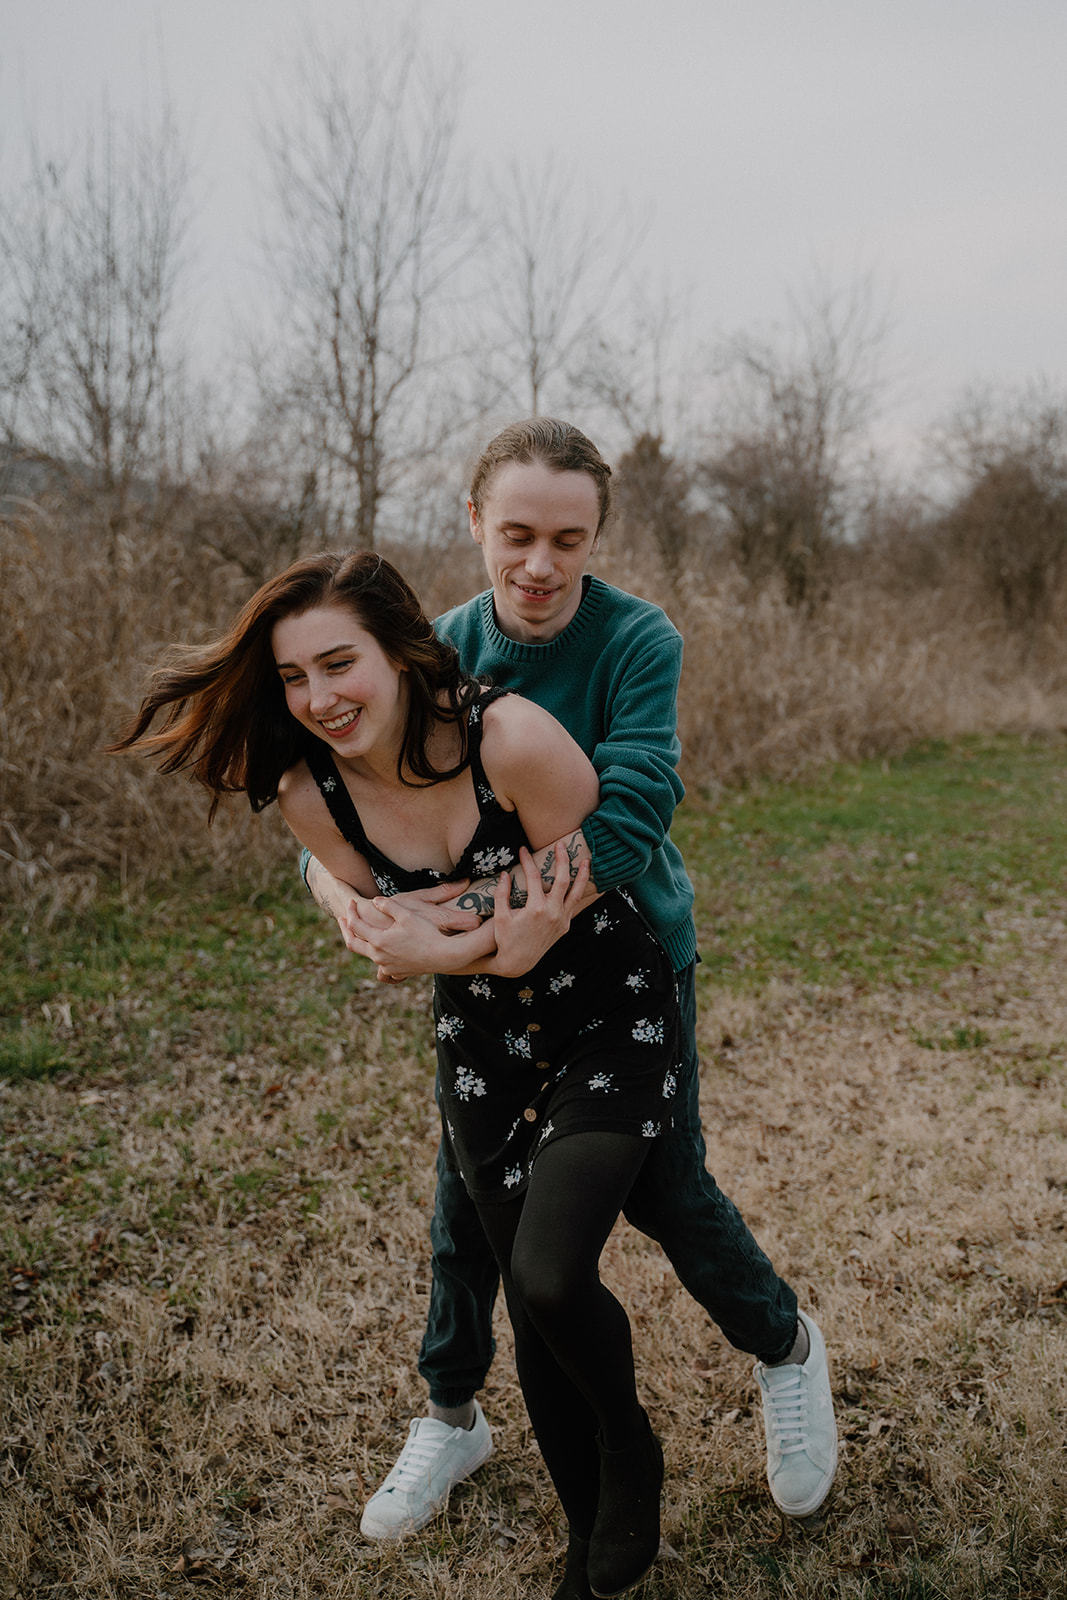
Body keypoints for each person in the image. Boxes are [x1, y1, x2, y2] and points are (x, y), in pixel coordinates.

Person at [110, 548, 686, 1600]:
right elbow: (389, 931)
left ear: (403, 653)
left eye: (340, 663)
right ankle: (580, 1550)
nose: (320, 698)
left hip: (609, 1016)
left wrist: (437, 937)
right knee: (525, 1301)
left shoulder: (507, 738)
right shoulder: (308, 790)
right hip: (482, 1053)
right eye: (294, 677)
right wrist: (442, 936)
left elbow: (547, 918)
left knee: (554, 1270)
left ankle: (628, 1450)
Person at [304, 419, 838, 1553]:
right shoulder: (433, 646)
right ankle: (450, 1414)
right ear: (474, 526)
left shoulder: (638, 638)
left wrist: (448, 940)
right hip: (493, 999)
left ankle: (786, 1350)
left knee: (664, 1193)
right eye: (515, 535)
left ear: (596, 535)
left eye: (566, 537)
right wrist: (334, 884)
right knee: (466, 1207)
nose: (538, 564)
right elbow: (350, 782)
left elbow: (632, 818)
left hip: (629, 958)